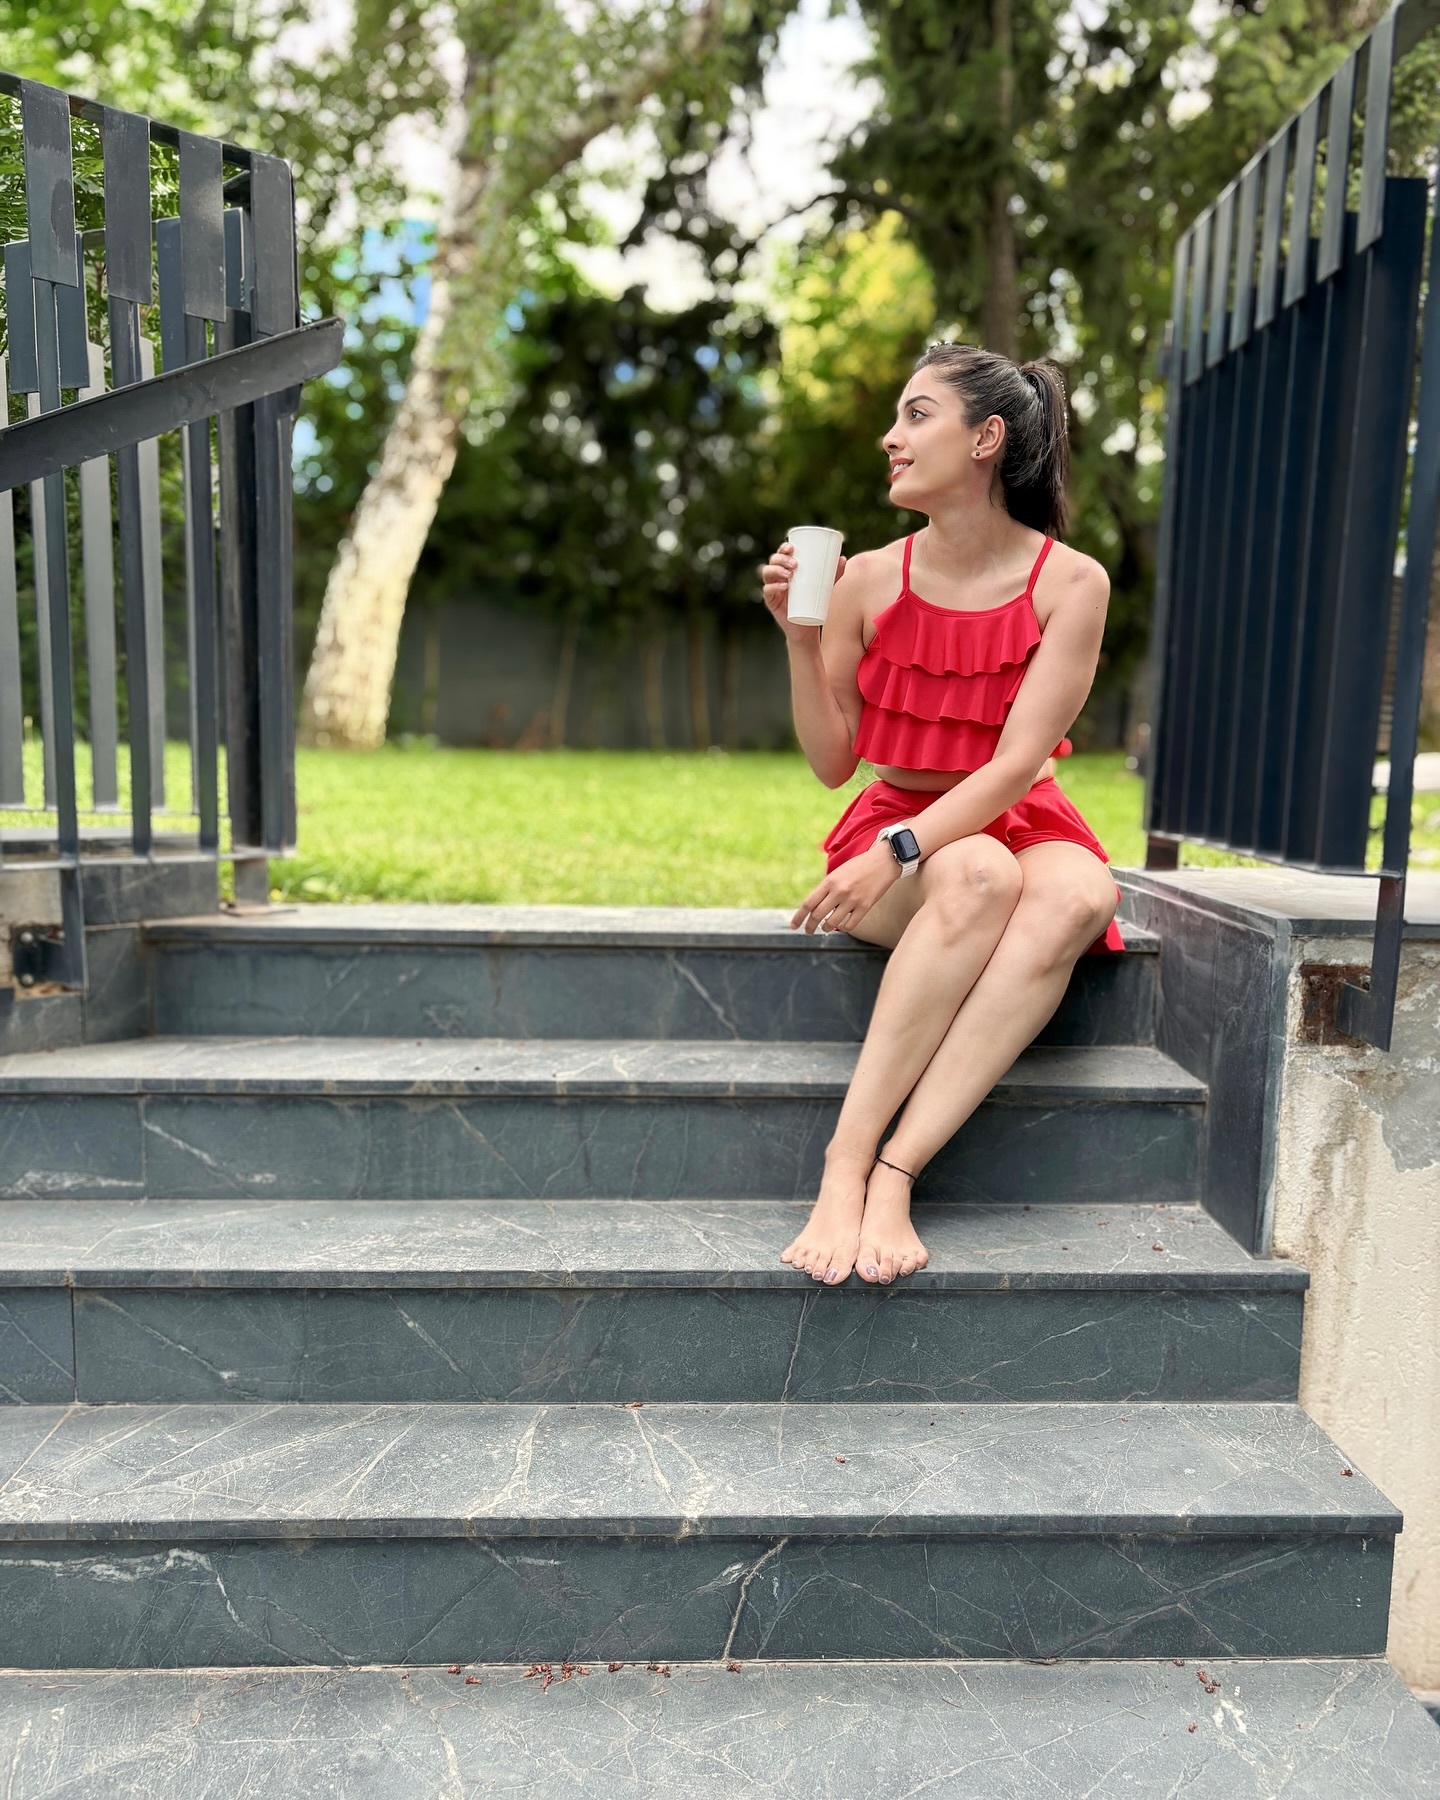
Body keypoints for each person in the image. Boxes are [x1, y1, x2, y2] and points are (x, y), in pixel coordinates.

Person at [758, 342, 1123, 1289]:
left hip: (1009, 812)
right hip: (902, 819)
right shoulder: (868, 579)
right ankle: (844, 1165)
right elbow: (833, 763)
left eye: (917, 415)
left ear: (986, 439)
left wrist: (899, 851)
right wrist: (801, 641)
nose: (892, 437)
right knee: (977, 873)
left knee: (1081, 892)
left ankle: (895, 1170)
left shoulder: (1070, 584)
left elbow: (1016, 765)